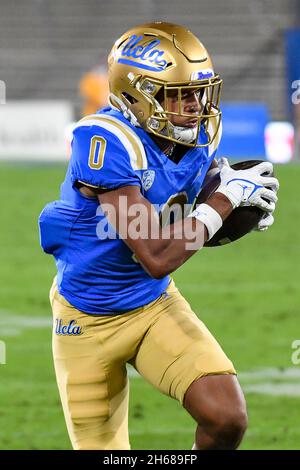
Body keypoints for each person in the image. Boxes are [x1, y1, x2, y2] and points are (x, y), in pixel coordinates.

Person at [39, 22, 279, 450]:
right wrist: (223, 201)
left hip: (152, 303)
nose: (195, 104)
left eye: (198, 91)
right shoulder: (106, 140)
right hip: (87, 319)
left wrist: (237, 208)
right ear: (136, 94)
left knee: (226, 419)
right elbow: (155, 253)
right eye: (179, 94)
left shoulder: (197, 137)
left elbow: (187, 229)